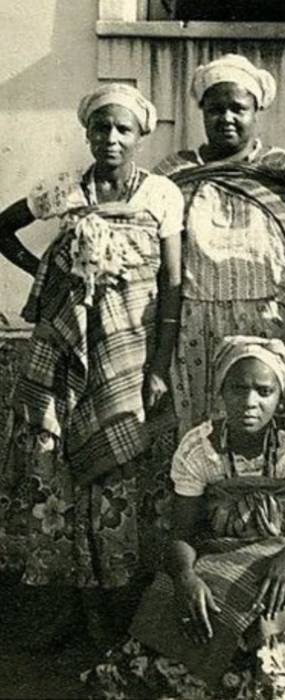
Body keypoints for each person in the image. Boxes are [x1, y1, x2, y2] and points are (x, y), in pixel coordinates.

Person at [84, 336, 285, 699]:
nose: (250, 402)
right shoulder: (199, 447)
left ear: (281, 398)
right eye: (238, 389)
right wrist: (185, 576)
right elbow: (182, 533)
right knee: (188, 610)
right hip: (220, 553)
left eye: (264, 391)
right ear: (221, 392)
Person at [0, 84, 184, 645]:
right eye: (101, 128)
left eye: (122, 129)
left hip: (130, 356)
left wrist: (159, 365)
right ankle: (71, 611)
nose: (111, 138)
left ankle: (121, 612)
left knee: (119, 470)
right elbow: (1, 229)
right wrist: (46, 274)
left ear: (139, 135)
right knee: (60, 475)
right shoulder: (64, 190)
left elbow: (174, 284)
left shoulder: (161, 195)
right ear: (87, 133)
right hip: (63, 353)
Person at [154, 53, 285, 436]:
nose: (226, 118)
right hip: (196, 325)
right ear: (201, 112)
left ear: (256, 110)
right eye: (215, 109)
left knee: (274, 432)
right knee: (202, 431)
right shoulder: (172, 176)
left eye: (238, 108)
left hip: (273, 324)